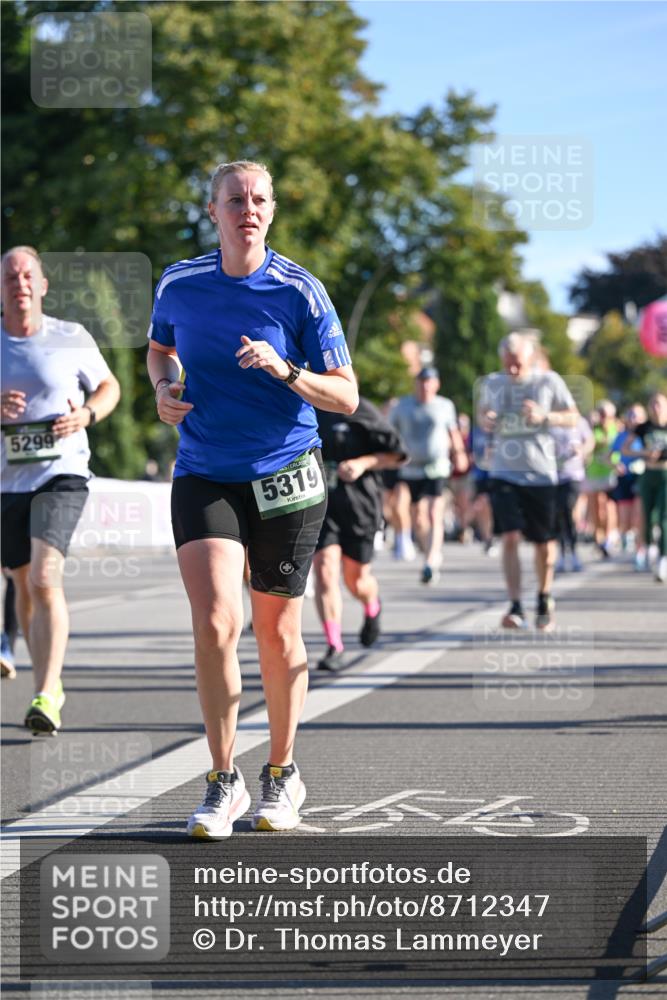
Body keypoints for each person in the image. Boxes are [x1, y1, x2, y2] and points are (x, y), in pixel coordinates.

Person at [147, 160, 358, 840]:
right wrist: (163, 389)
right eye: (234, 198)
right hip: (206, 468)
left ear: (271, 209)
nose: (248, 208)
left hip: (285, 474)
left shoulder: (300, 291)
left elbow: (347, 394)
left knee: (276, 632)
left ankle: (282, 771)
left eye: (259, 198)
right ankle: (221, 779)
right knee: (214, 621)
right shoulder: (181, 281)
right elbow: (158, 349)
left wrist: (285, 368)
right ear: (211, 209)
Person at [1, 245, 120, 732]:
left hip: (61, 473)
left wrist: (87, 414)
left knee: (45, 578)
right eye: (10, 276)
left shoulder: (70, 336)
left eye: (29, 274)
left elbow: (108, 387)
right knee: (23, 583)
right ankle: (43, 682)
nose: (20, 282)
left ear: (43, 286)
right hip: (7, 482)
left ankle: (47, 692)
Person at [479, 332, 578, 631]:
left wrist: (545, 416)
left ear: (530, 358)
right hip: (504, 472)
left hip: (541, 474)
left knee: (544, 545)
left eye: (517, 364)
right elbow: (482, 415)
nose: (511, 370)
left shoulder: (549, 381)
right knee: (509, 536)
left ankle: (544, 597)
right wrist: (487, 419)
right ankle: (515, 604)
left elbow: (573, 416)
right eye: (507, 363)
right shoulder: (492, 383)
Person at [312, 397, 407, 672]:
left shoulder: (360, 409)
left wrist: (363, 463)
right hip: (322, 504)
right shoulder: (305, 405)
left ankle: (372, 605)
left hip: (360, 506)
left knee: (356, 580)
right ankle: (334, 645)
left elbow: (397, 454)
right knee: (325, 571)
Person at [389, 367, 468, 584]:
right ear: (416, 383)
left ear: (436, 384)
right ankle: (429, 551)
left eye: (429, 382)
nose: (425, 386)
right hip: (410, 468)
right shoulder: (402, 406)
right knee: (419, 517)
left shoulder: (444, 406)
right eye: (421, 381)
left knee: (434, 512)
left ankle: (431, 560)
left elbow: (453, 433)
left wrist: (459, 453)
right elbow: (390, 432)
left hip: (436, 466)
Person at [622, 392, 667, 582]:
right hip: (648, 475)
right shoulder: (644, 428)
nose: (656, 408)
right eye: (653, 404)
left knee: (664, 518)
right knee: (647, 516)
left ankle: (664, 558)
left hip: (665, 474)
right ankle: (648, 547)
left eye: (660, 404)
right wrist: (644, 452)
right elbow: (625, 449)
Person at [551, 415, 594, 572]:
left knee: (568, 509)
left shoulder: (579, 420)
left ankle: (573, 551)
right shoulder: (547, 419)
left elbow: (590, 441)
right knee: (557, 513)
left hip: (572, 474)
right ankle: (561, 553)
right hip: (552, 475)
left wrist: (582, 450)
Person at [609, 404, 647, 568]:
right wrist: (616, 465)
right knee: (625, 518)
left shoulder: (647, 433)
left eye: (637, 415)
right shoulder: (621, 436)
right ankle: (627, 537)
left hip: (642, 477)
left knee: (638, 517)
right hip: (625, 478)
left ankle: (640, 551)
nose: (634, 419)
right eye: (631, 415)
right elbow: (610, 456)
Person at [584, 401, 620, 558]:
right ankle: (598, 538)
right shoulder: (593, 429)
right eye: (601, 414)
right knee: (595, 508)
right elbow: (588, 444)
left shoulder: (617, 429)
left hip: (609, 472)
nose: (604, 417)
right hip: (593, 472)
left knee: (607, 506)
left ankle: (609, 536)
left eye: (607, 415)